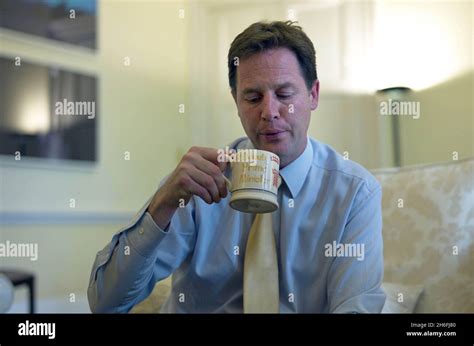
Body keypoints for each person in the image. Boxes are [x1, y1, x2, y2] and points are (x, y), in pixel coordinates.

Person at [88, 21, 385, 313]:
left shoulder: (355, 193)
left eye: (284, 95)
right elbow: (105, 303)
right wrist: (162, 205)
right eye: (253, 97)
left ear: (313, 95)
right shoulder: (198, 182)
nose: (268, 112)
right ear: (236, 100)